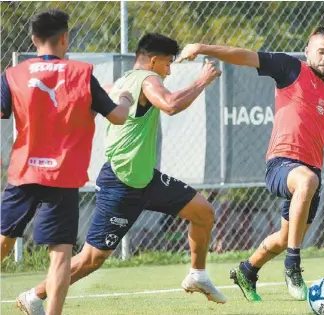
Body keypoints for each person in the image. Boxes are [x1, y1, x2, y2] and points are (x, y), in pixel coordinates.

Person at [177, 16, 324, 301]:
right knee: (306, 184)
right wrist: (202, 47)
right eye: (321, 51)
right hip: (281, 164)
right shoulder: (290, 68)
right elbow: (244, 56)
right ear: (307, 51)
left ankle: (247, 270)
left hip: (310, 173)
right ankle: (293, 267)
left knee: (283, 237)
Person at [17, 32, 226, 315]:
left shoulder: (123, 81)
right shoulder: (147, 80)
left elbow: (95, 96)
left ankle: (197, 274)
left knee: (202, 212)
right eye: (168, 63)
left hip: (145, 179)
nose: (170, 70)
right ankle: (34, 295)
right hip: (122, 182)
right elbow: (171, 105)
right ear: (153, 61)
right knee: (92, 259)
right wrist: (202, 80)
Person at [0, 8, 133, 315]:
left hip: (24, 172)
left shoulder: (13, 74)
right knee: (60, 255)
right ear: (65, 38)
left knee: (4, 242)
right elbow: (118, 116)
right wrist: (125, 97)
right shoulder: (82, 74)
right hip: (62, 175)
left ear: (34, 39)